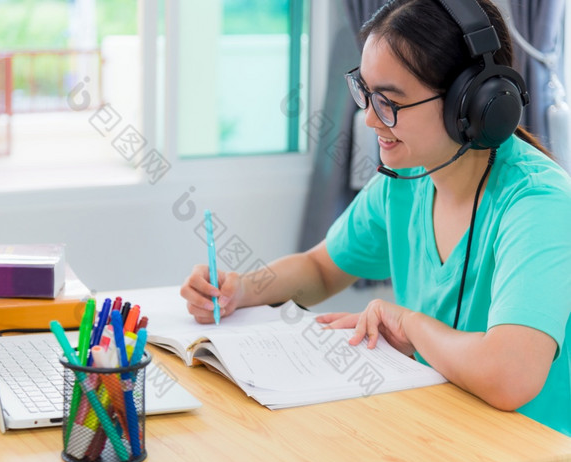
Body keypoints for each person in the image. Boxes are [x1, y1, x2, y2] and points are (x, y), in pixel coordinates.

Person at [180, 0, 571, 436]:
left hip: (531, 449)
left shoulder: (539, 202)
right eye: (365, 94)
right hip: (440, 429)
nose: (368, 119)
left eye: (389, 102)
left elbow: (510, 375)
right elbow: (322, 268)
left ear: (472, 103)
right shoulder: (408, 177)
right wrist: (242, 288)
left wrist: (410, 323)